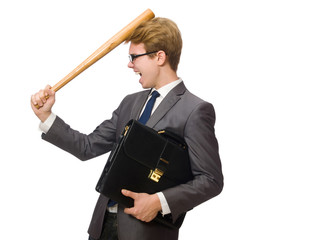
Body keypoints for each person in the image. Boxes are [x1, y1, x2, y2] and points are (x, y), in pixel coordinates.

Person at [31, 17, 223, 240]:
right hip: (102, 227)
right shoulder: (129, 103)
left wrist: (158, 202)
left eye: (134, 57)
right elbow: (87, 147)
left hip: (146, 233)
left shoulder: (195, 110)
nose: (130, 64)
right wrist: (46, 116)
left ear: (159, 57)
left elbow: (210, 180)